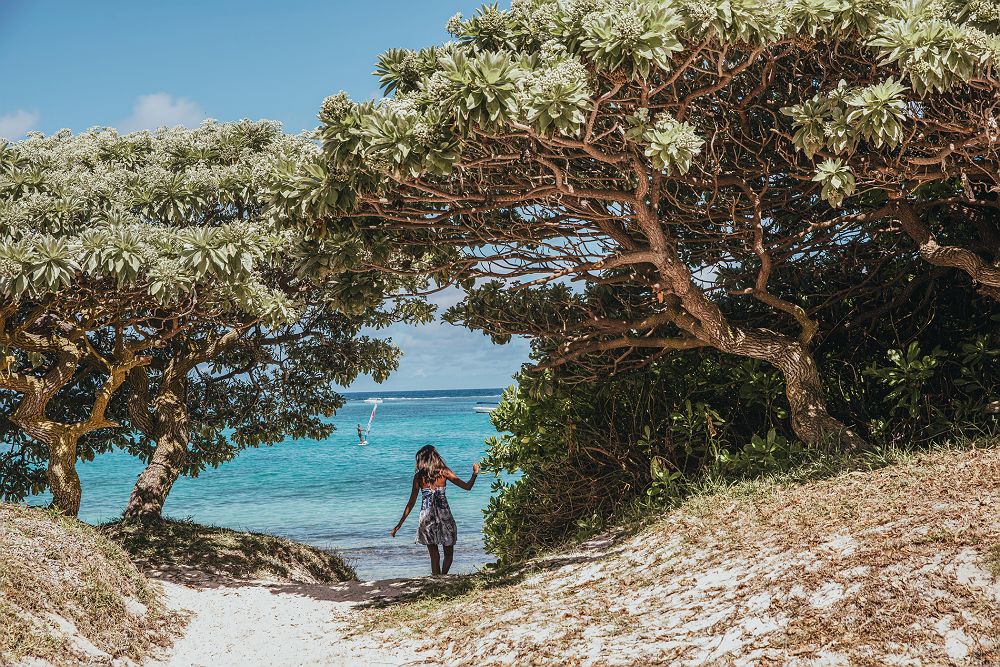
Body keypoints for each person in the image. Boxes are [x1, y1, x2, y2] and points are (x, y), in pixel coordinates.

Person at [390, 445, 479, 575]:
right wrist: (475, 474)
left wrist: (399, 524)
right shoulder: (444, 472)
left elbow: (411, 502)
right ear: (435, 457)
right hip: (444, 516)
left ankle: (437, 580)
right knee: (448, 553)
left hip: (426, 518)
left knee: (434, 556)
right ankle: (443, 578)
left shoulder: (419, 477)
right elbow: (467, 486)